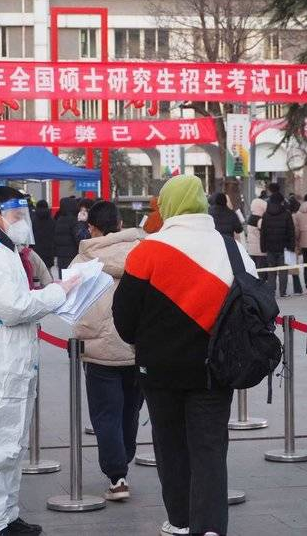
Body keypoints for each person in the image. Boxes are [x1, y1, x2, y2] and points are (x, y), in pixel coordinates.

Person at [113, 175, 256, 536]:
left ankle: (180, 520)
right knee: (210, 448)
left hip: (159, 370)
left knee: (170, 445)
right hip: (216, 369)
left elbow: (124, 319)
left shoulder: (147, 250)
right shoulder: (231, 248)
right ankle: (209, 527)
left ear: (168, 205)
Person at [0, 186, 80, 536]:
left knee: (10, 446)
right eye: (17, 215)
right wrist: (57, 293)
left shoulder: (2, 251)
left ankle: (6, 514)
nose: (22, 221)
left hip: (11, 362)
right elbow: (13, 307)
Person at [71, 201, 144, 502]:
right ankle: (123, 458)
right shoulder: (142, 254)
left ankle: (117, 476)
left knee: (106, 414)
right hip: (137, 347)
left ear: (92, 227)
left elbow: (71, 303)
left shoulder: (82, 260)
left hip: (99, 350)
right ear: (120, 223)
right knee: (130, 410)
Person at [260, 192, 295, 297]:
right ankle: (283, 292)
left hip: (270, 247)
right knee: (283, 270)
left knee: (271, 271)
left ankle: (271, 291)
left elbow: (263, 232)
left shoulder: (266, 215)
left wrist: (263, 247)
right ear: (281, 202)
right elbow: (291, 231)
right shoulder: (287, 214)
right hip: (283, 247)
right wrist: (291, 246)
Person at [54, 196, 80, 274]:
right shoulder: (74, 221)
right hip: (73, 257)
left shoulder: (59, 220)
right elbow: (79, 239)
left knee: (64, 278)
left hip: (61, 257)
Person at [30, 199, 56, 272]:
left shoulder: (33, 220)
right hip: (49, 250)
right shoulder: (52, 220)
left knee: (37, 273)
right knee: (48, 271)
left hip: (36, 250)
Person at [246, 197, 267, 281]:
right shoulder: (260, 220)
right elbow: (263, 233)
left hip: (251, 249)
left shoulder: (250, 218)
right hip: (260, 250)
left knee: (254, 271)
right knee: (261, 272)